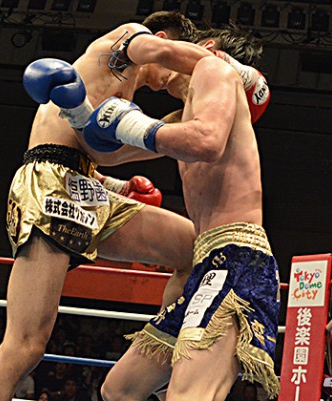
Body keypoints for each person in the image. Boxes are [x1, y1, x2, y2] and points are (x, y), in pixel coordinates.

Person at [0, 12, 268, 401]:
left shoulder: (154, 105)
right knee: (25, 345)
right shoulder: (131, 38)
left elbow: (106, 149)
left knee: (190, 247)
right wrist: (231, 68)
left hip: (87, 187)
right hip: (50, 181)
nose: (164, 82)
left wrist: (118, 180)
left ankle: (172, 342)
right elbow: (159, 62)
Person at [64, 25, 279, 400]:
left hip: (236, 258)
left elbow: (207, 142)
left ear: (205, 47)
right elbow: (112, 153)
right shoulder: (183, 116)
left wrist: (128, 121)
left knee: (189, 395)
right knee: (120, 390)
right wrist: (80, 114)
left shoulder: (214, 70)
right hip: (206, 263)